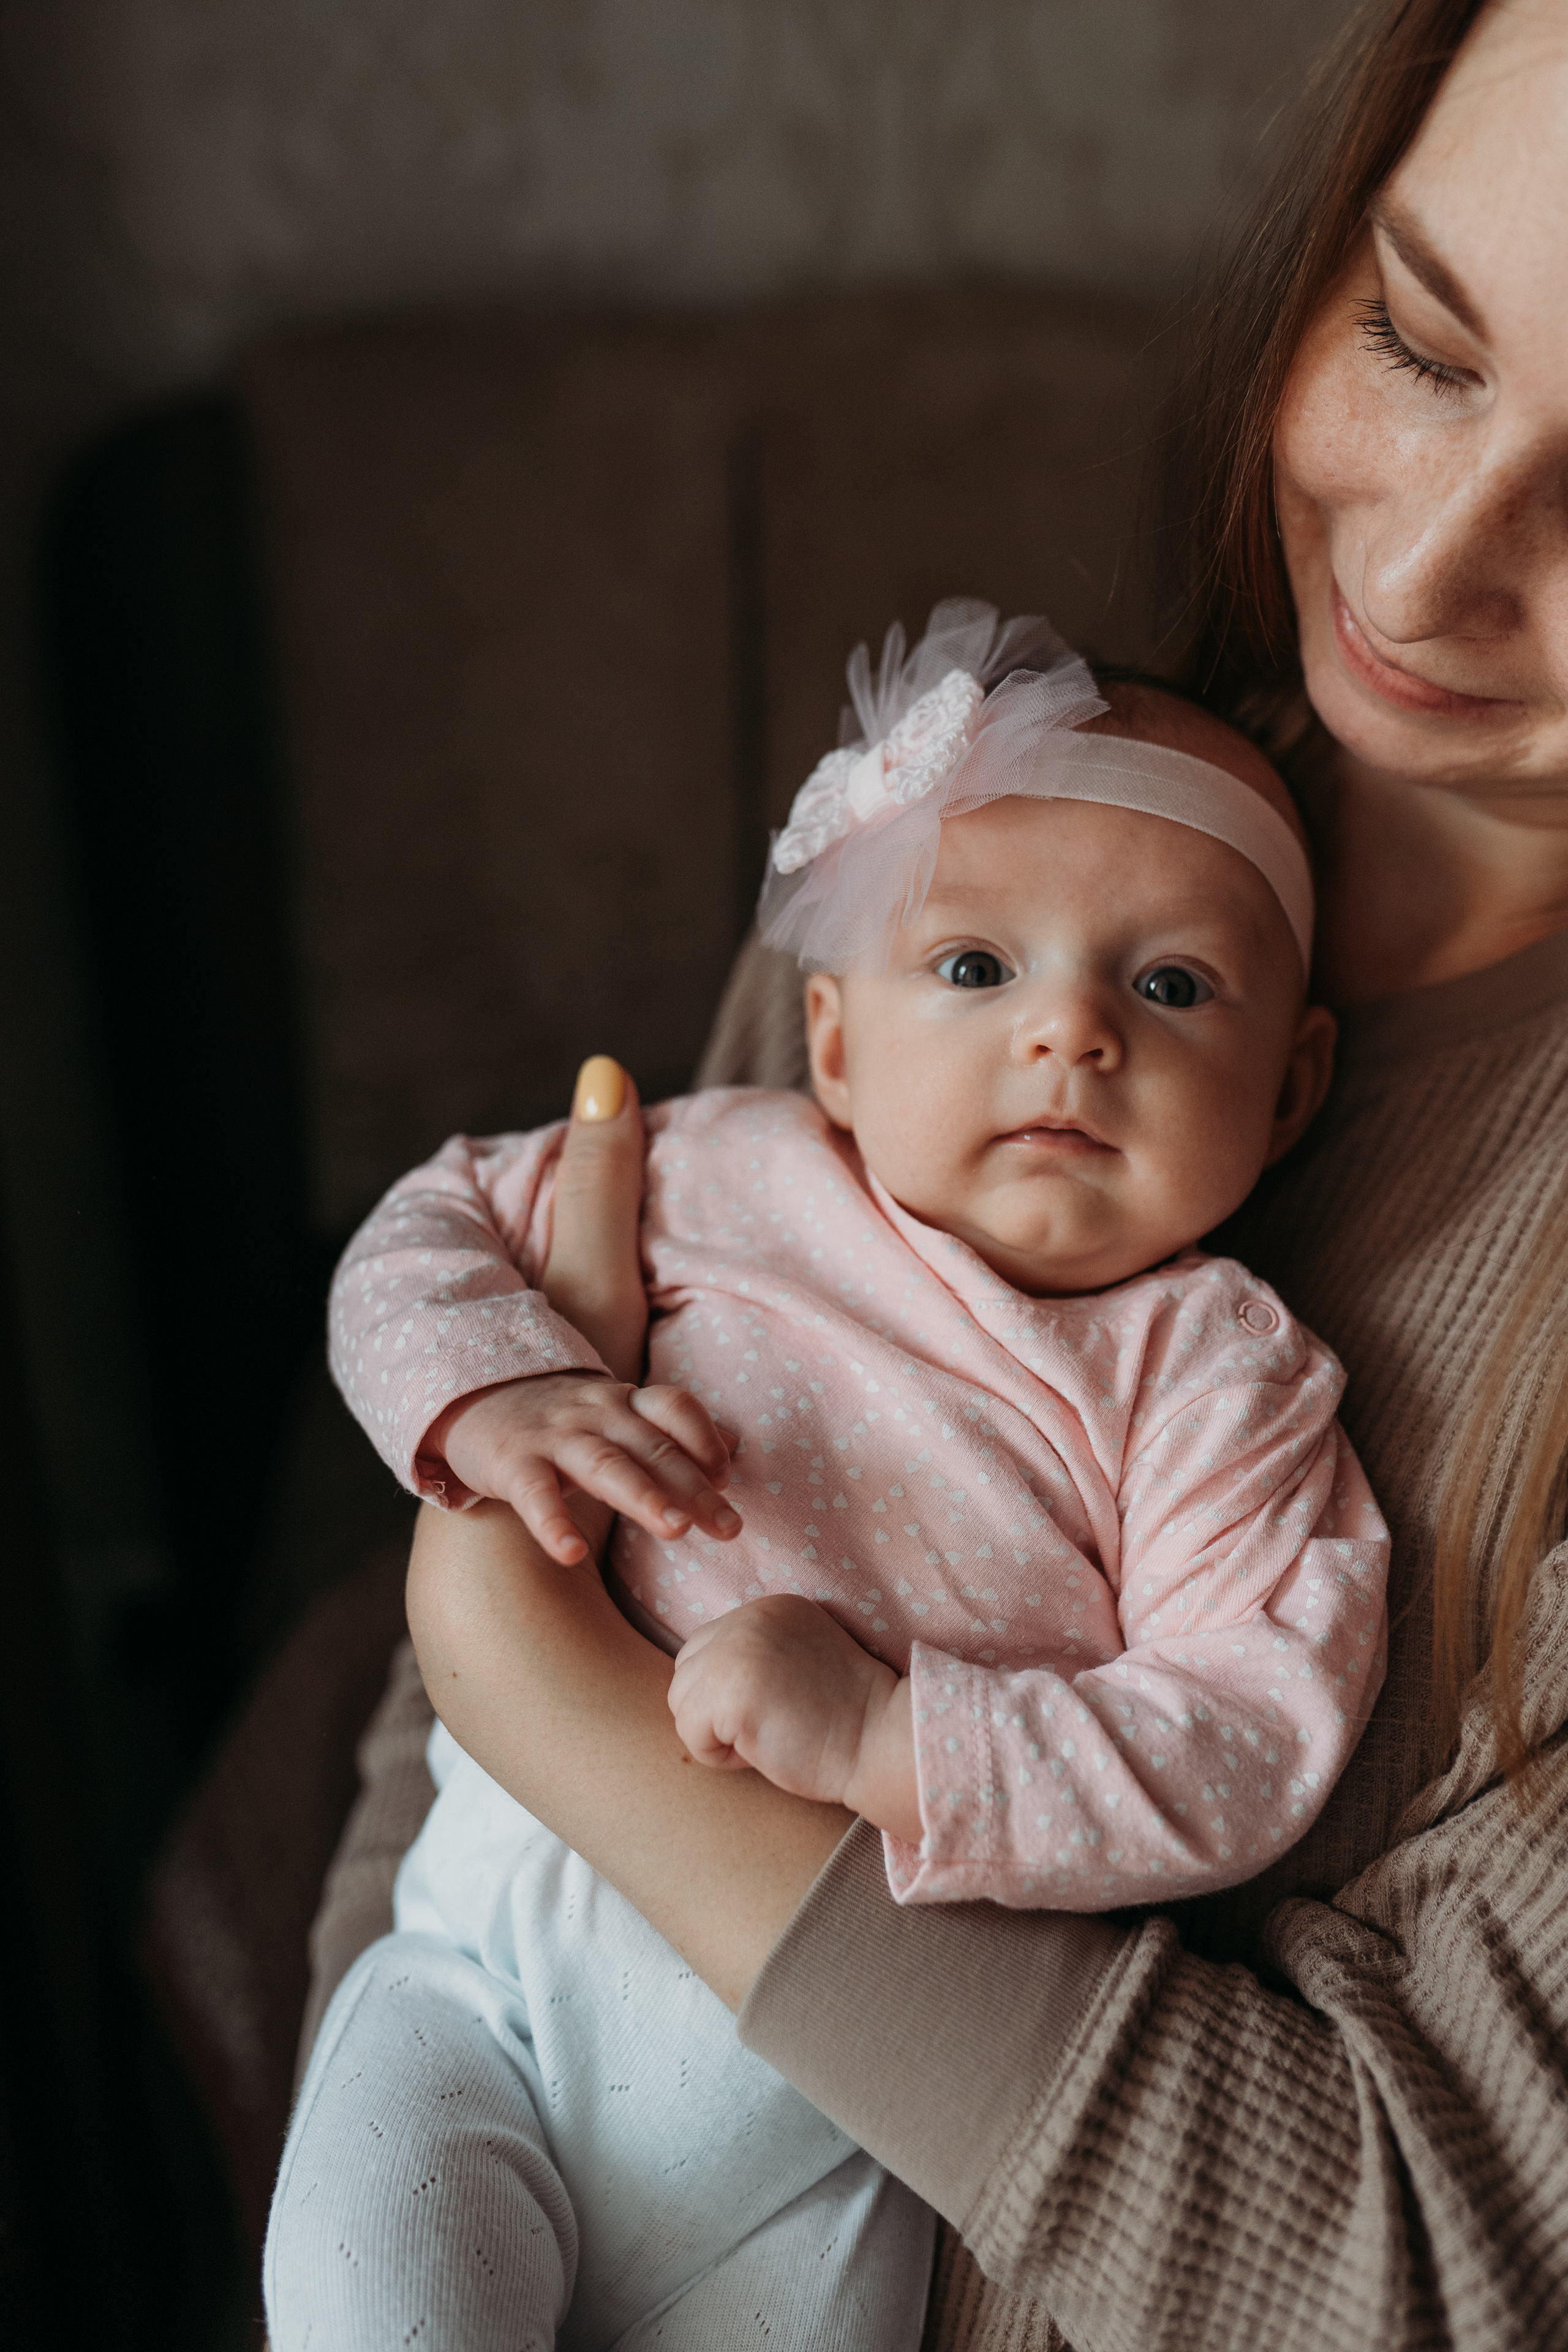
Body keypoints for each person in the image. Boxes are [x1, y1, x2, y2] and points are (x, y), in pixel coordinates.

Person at [378, 3, 1568, 2346]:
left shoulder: (1276, 1376)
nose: (1427, 573)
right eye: (1418, 342)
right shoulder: (974, 832)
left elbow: (1427, 2268)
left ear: (1300, 1084)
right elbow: (426, 1764)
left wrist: (539, 1673)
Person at [264, 612, 1389, 2351]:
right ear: (837, 1044)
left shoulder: (1217, 1379)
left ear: (1292, 1085)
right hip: (481, 1980)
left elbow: (1245, 1728)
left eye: (1171, 986)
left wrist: (897, 1739)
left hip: (829, 2131)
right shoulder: (718, 1168)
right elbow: (431, 1226)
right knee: (374, 2296)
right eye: (976, 966)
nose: (1071, 1032)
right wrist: (501, 1394)